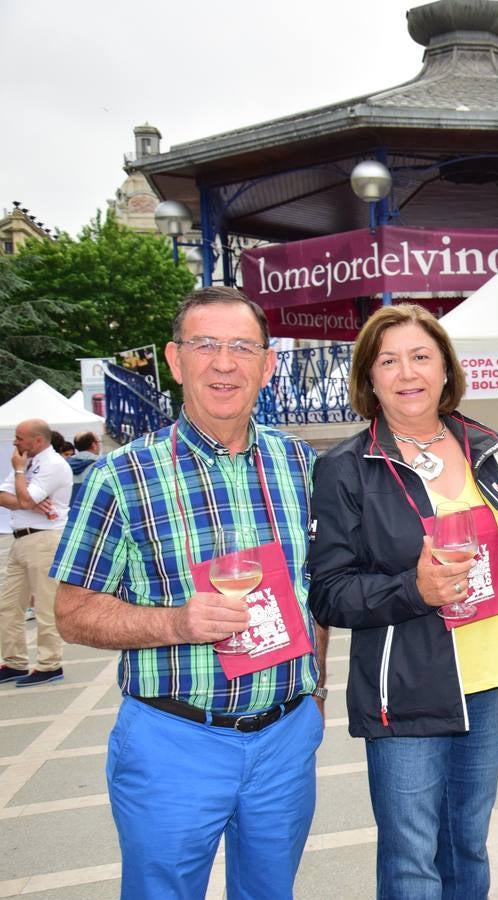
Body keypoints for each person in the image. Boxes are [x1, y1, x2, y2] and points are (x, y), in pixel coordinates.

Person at [51, 286, 328, 899]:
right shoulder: (119, 476)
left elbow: (318, 589)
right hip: (174, 742)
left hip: (283, 739)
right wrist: (176, 622)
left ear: (267, 364)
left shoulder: (301, 466)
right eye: (204, 345)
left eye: (240, 347)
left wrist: (318, 690)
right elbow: (71, 615)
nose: (223, 363)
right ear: (175, 362)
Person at [308, 304, 498, 900]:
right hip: (407, 685)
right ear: (369, 377)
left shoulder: (486, 448)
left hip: (487, 677)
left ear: (444, 370)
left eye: (420, 356)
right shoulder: (345, 468)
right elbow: (328, 592)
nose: (406, 372)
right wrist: (414, 589)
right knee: (412, 856)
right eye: (388, 360)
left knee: (467, 841)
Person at [0, 419, 73, 687]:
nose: (15, 443)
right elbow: (4, 496)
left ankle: (49, 664)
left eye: (20, 437)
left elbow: (25, 499)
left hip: (44, 538)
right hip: (21, 538)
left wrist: (20, 476)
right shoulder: (27, 462)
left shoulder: (51, 464)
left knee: (45, 605)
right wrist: (24, 498)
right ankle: (14, 661)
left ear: (38, 440)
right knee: (8, 606)